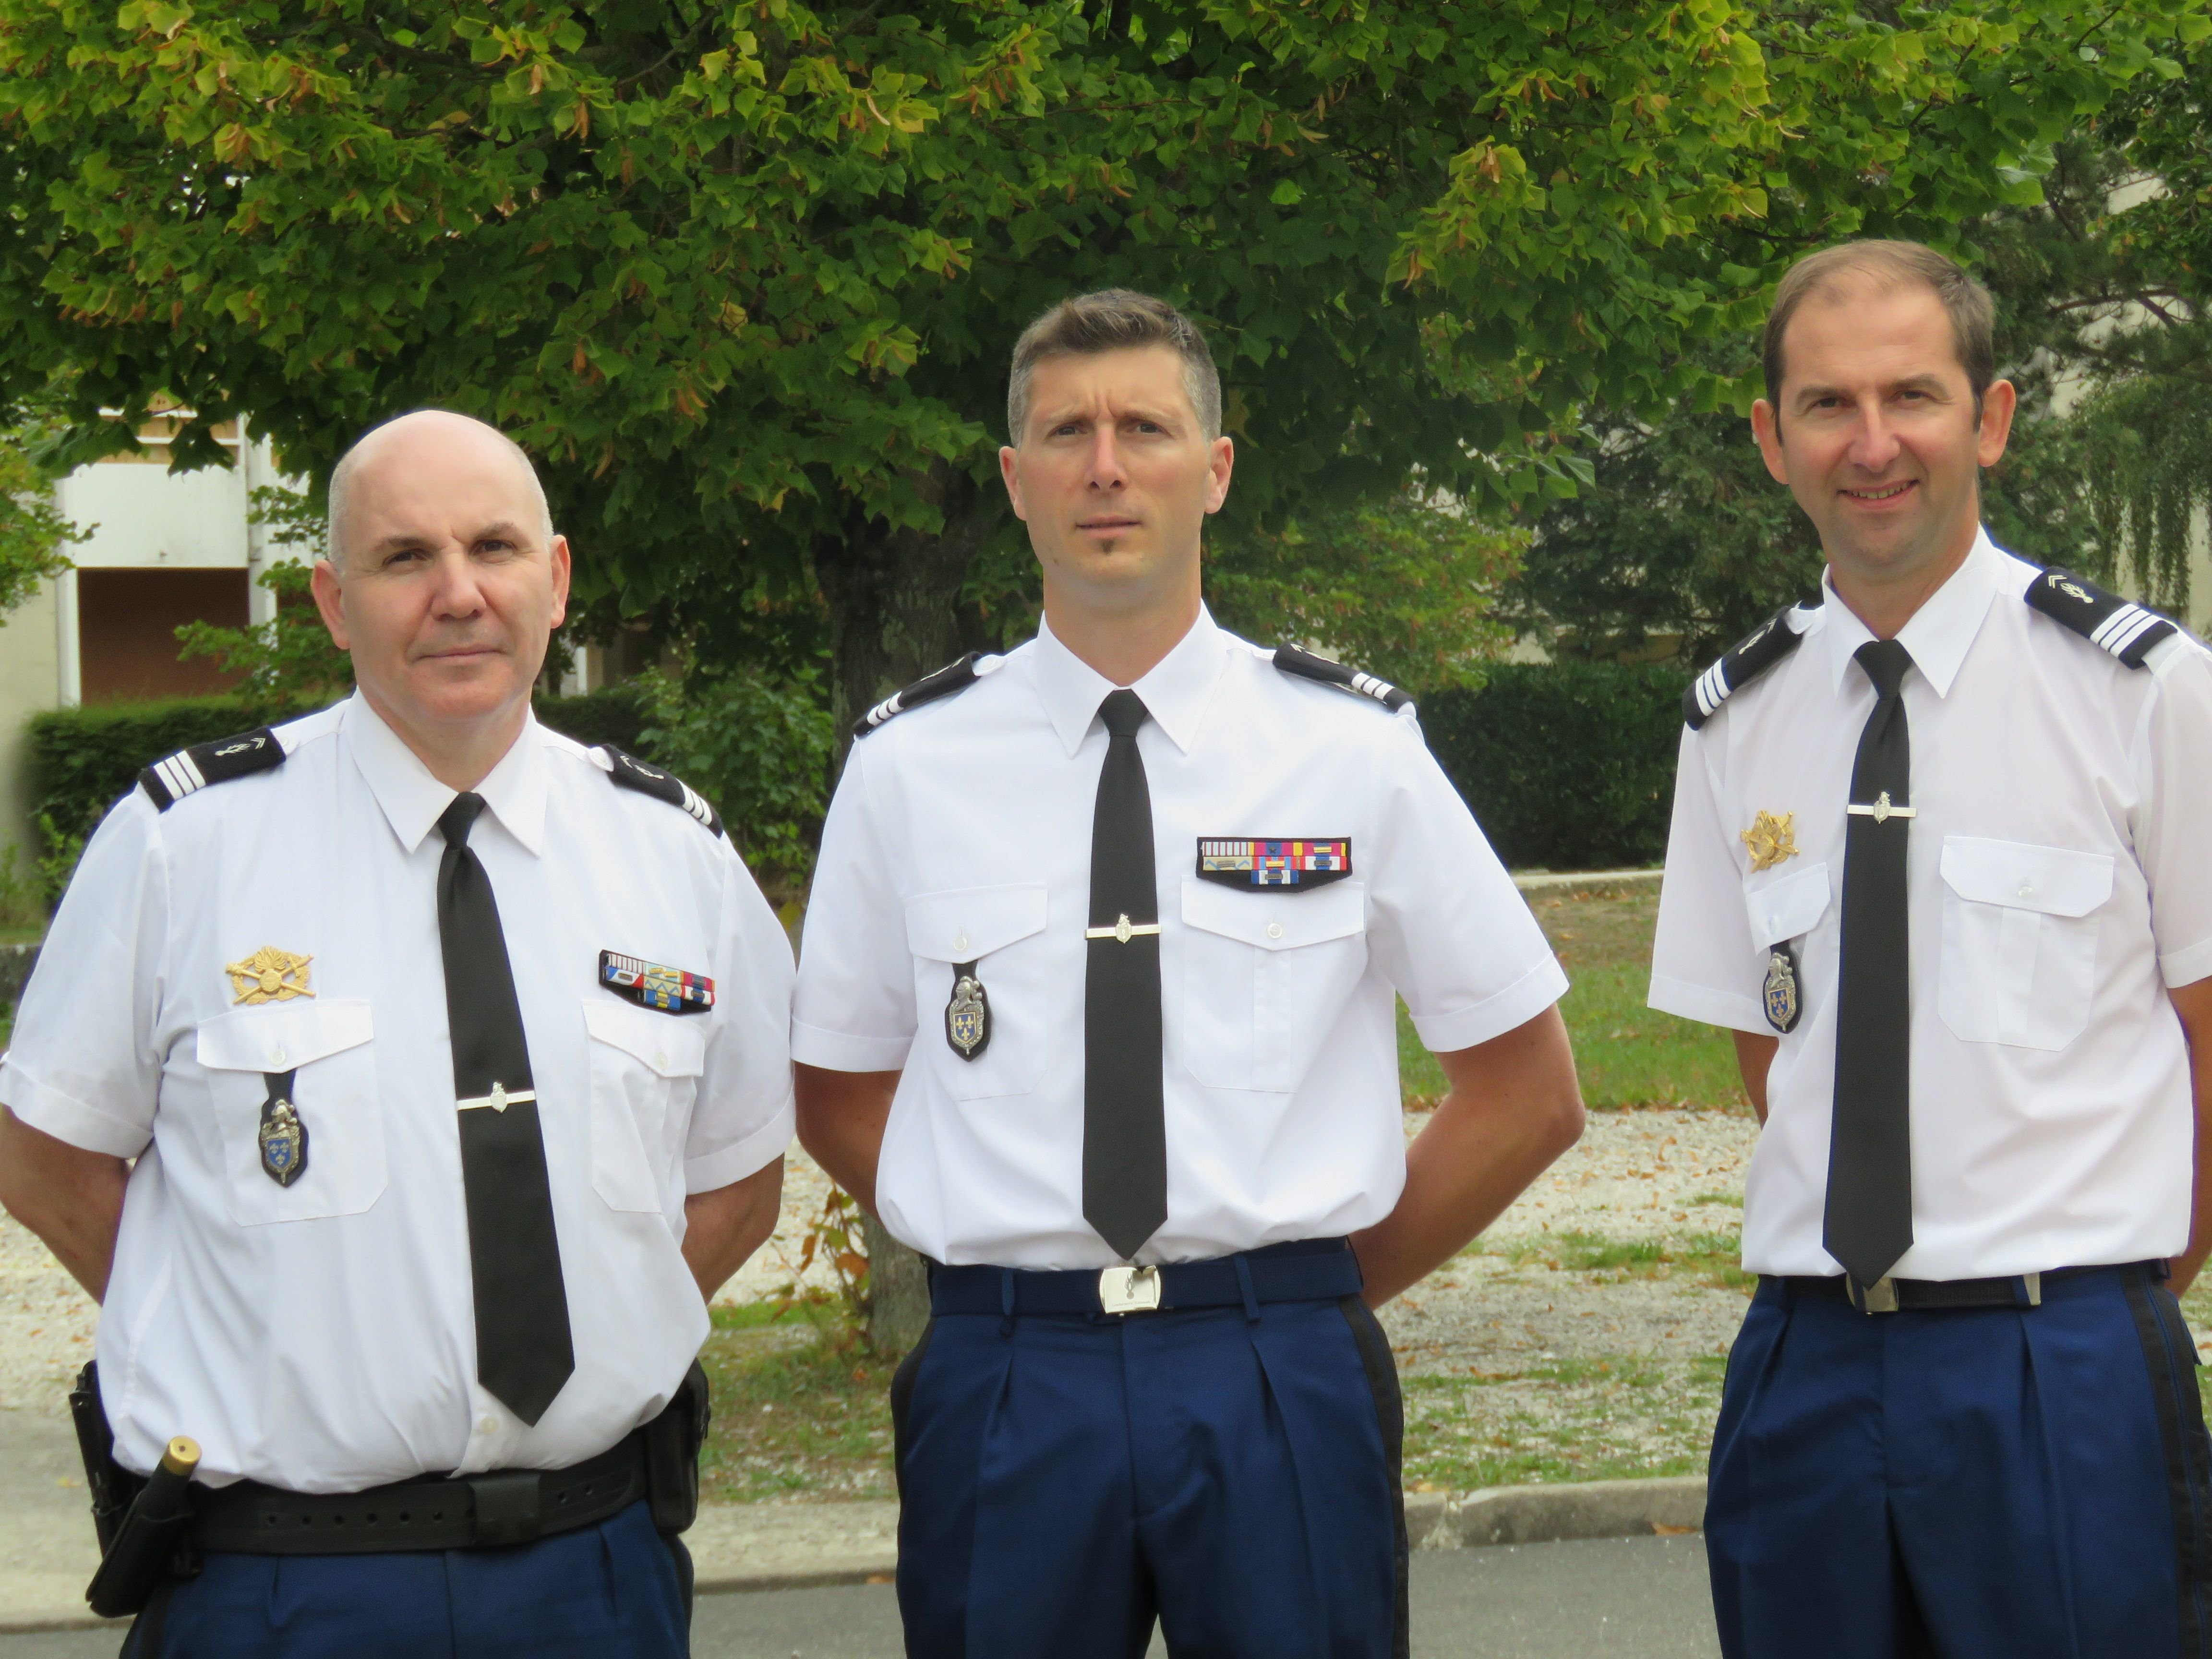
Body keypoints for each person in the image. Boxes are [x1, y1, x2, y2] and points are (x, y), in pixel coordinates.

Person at [792, 289, 1586, 1659]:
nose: (1106, 465)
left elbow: (1527, 1088)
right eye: (1068, 433)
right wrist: (990, 1218)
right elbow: (838, 1088)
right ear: (1016, 482)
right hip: (1008, 1381)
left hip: (1275, 1369)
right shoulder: (910, 763)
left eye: (1146, 428)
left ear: (1213, 470)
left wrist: (1313, 1288)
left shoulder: (1352, 747)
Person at [0, 410, 796, 1657]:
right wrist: (248, 1320)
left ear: (558, 578)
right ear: (332, 599)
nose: (459, 593)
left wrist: (589, 1322)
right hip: (284, 1586)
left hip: (594, 1576)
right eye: (405, 558)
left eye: (494, 548)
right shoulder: (184, 846)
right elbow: (46, 1158)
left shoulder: (675, 858)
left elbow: (741, 1179)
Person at [1650, 240, 2212, 1658]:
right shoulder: (1736, 721)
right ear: (1774, 439)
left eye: (1915, 395)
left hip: (2058, 1358)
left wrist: (2111, 1282)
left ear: (1995, 418)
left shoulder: (2148, 694)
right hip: (1804, 1362)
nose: (1875, 443)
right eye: (1829, 405)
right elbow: (1768, 1052)